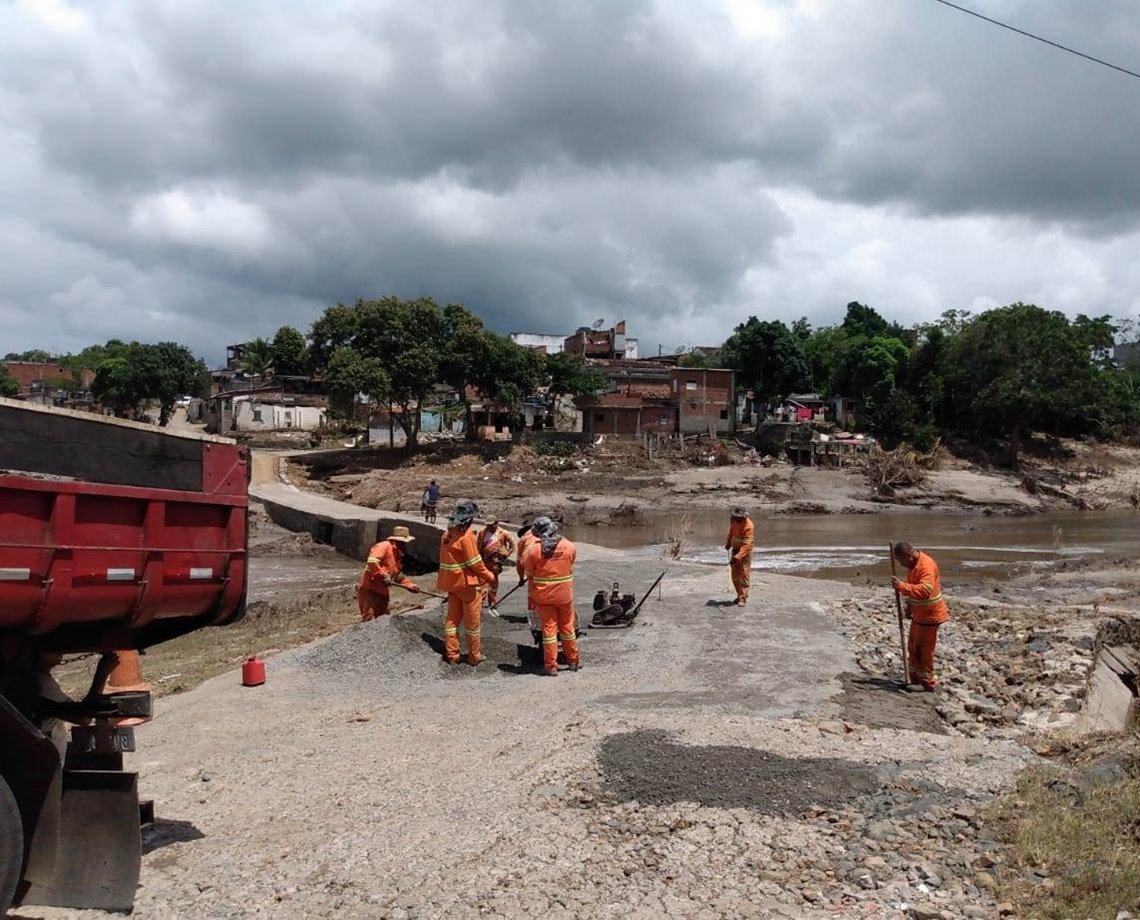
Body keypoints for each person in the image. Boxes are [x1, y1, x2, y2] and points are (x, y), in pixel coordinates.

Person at [437, 500, 495, 665]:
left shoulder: (446, 535)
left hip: (452, 584)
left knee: (452, 621)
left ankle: (453, 655)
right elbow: (475, 563)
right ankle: (474, 657)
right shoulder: (466, 537)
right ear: (469, 520)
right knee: (472, 624)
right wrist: (490, 577)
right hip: (468, 586)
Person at [521, 518, 580, 676]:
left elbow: (529, 571)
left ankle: (551, 666)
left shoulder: (533, 550)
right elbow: (571, 562)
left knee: (549, 630)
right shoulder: (568, 545)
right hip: (564, 595)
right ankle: (573, 661)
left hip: (543, 596)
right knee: (567, 627)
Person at [891, 541, 950, 692]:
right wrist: (909, 606)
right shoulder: (912, 566)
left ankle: (927, 683)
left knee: (924, 651)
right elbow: (914, 587)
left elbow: (925, 590)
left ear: (909, 556)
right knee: (913, 648)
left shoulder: (926, 566)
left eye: (901, 561)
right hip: (919, 615)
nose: (901, 565)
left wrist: (902, 586)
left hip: (930, 615)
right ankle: (914, 679)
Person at [358, 526, 420, 621]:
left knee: (383, 618)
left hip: (382, 590)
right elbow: (372, 561)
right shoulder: (384, 546)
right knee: (368, 617)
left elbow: (397, 576)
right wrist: (384, 575)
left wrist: (410, 585)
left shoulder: (397, 555)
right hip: (370, 587)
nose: (405, 545)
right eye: (404, 542)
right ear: (398, 541)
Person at [478, 516, 516, 617]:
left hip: (496, 562)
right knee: (482, 583)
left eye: (491, 525)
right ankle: (480, 603)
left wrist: (507, 554)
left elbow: (512, 545)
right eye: (488, 525)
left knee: (494, 583)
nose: (489, 527)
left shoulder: (503, 533)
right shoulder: (482, 532)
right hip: (484, 561)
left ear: (496, 523)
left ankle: (492, 602)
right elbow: (478, 546)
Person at [724, 506, 754, 607]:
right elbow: (731, 532)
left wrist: (738, 557)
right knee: (735, 575)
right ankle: (739, 594)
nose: (736, 519)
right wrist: (728, 542)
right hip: (735, 549)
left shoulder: (749, 525)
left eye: (738, 518)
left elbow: (747, 544)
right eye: (735, 517)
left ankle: (743, 598)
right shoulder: (733, 521)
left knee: (744, 574)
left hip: (745, 553)